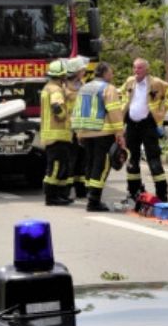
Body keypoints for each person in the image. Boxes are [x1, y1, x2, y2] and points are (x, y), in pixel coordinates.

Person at [72, 62, 125, 212]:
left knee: (90, 163)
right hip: (103, 132)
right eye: (111, 72)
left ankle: (91, 195)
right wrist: (119, 133)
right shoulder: (108, 88)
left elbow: (77, 111)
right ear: (106, 74)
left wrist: (78, 132)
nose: (112, 75)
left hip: (85, 132)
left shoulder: (83, 87)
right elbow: (114, 111)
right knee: (101, 166)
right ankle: (94, 201)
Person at [120, 58, 168, 202]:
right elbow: (120, 94)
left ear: (146, 69)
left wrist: (162, 110)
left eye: (139, 68)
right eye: (134, 68)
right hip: (132, 125)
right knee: (132, 160)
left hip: (148, 125)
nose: (136, 71)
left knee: (153, 160)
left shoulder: (155, 82)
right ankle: (133, 193)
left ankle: (162, 195)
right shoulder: (130, 81)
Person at [41, 59, 74, 206]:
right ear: (62, 76)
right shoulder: (56, 90)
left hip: (53, 135)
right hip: (57, 135)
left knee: (61, 166)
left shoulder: (48, 87)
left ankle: (60, 195)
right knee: (55, 167)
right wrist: (64, 116)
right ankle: (51, 197)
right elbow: (57, 108)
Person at [66, 56, 90, 199]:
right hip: (70, 128)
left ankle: (81, 189)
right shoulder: (65, 87)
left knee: (83, 159)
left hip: (82, 127)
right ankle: (66, 190)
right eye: (82, 69)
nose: (84, 72)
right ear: (76, 71)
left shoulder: (82, 84)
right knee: (71, 159)